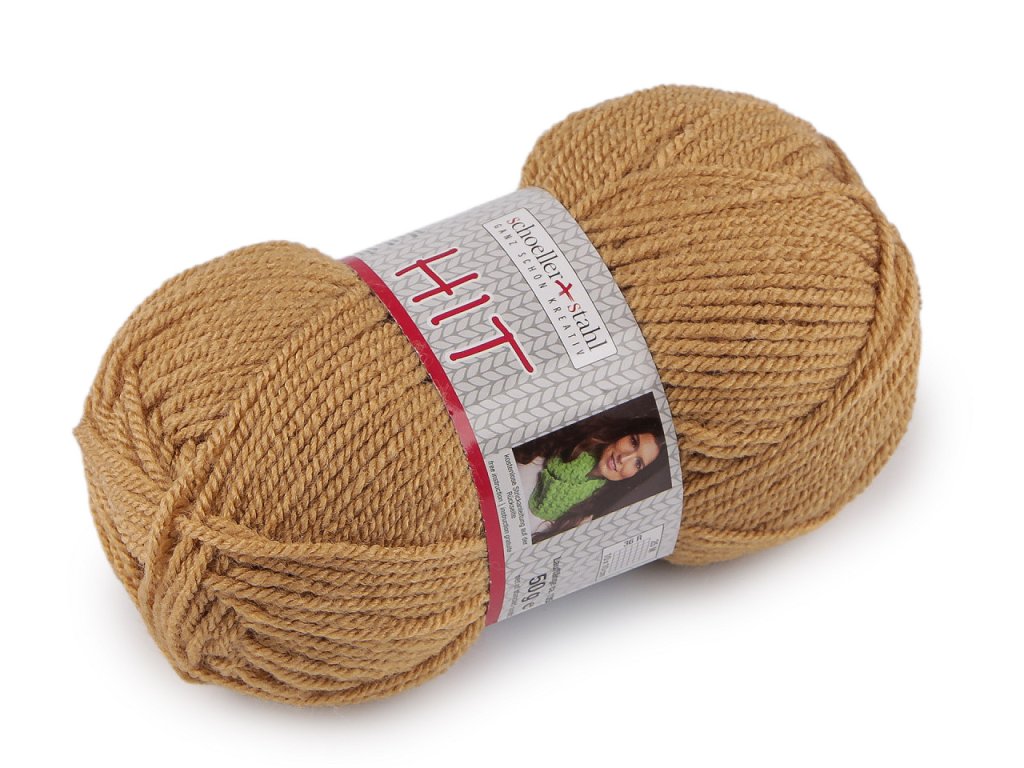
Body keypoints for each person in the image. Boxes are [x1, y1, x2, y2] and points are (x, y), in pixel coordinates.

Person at [513, 410, 669, 542]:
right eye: (633, 442)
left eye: (638, 463)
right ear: (624, 432)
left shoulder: (585, 520)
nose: (624, 458)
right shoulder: (561, 435)